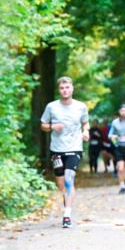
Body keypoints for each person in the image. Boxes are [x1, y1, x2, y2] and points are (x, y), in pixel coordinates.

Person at [40, 77, 90, 228]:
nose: (65, 90)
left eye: (67, 87)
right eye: (62, 88)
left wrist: (86, 131)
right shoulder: (51, 107)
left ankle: (67, 214)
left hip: (74, 147)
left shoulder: (81, 107)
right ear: (59, 90)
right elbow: (43, 125)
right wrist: (52, 127)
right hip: (57, 149)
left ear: (72, 89)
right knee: (61, 184)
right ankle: (67, 202)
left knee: (69, 178)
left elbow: (85, 122)